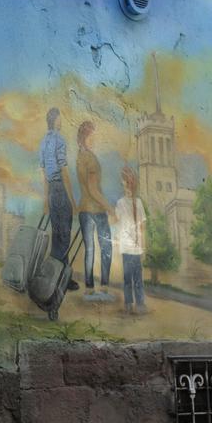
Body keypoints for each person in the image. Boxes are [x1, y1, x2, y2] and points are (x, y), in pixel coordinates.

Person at [39, 107, 78, 291]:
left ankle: (63, 277)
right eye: (60, 118)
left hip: (52, 192)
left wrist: (46, 200)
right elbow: (64, 170)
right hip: (61, 190)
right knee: (64, 236)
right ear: (55, 120)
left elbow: (44, 174)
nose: (61, 121)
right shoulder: (59, 140)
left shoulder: (43, 142)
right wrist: (72, 200)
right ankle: (55, 279)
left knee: (58, 234)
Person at [75, 120, 114, 300]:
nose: (95, 139)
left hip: (84, 209)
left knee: (89, 249)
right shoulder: (90, 158)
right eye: (92, 136)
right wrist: (110, 208)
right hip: (96, 210)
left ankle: (90, 288)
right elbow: (93, 189)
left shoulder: (80, 156)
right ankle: (104, 286)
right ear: (85, 138)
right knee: (106, 247)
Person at [114, 166, 146, 314]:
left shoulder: (138, 203)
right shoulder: (120, 203)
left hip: (136, 247)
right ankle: (128, 303)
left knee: (138, 278)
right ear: (123, 184)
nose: (127, 185)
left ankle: (140, 303)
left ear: (133, 184)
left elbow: (142, 226)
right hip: (126, 247)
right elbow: (116, 221)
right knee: (127, 278)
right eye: (125, 182)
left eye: (130, 182)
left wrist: (142, 245)